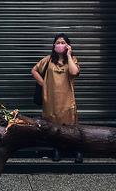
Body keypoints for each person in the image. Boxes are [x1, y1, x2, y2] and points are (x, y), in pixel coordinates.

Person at [31, 33, 82, 163]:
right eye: (58, 42)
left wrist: (69, 55)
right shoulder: (48, 60)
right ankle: (57, 150)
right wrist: (44, 84)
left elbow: (74, 72)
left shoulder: (73, 59)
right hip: (51, 101)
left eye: (63, 42)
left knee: (71, 127)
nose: (60, 45)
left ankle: (76, 150)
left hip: (67, 99)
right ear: (54, 45)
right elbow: (34, 71)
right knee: (54, 127)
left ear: (68, 45)